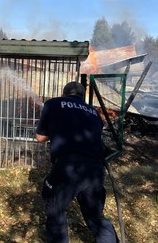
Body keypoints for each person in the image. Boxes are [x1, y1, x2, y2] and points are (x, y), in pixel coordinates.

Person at [36, 81, 119, 243]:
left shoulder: (53, 103)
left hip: (68, 167)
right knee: (95, 215)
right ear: (82, 96)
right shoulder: (94, 112)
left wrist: (57, 130)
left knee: (55, 208)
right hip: (96, 168)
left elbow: (40, 137)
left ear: (63, 93)